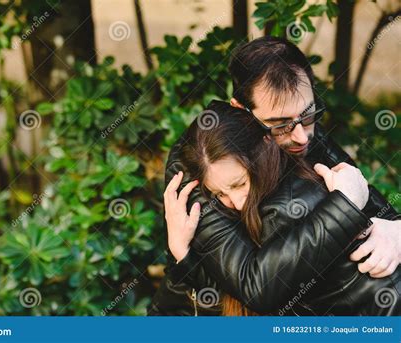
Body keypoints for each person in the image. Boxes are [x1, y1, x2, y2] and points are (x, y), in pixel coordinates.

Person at [148, 36, 399, 316]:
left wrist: (397, 230)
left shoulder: (298, 132)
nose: (302, 136)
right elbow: (255, 287)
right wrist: (346, 203)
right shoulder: (198, 162)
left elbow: (378, 208)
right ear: (242, 112)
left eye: (308, 114)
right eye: (279, 126)